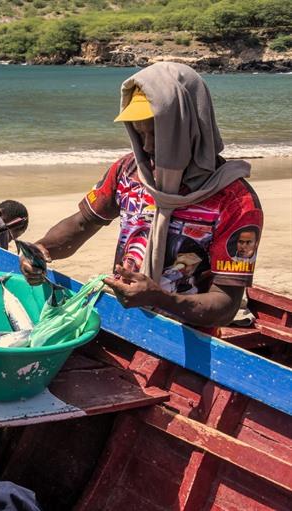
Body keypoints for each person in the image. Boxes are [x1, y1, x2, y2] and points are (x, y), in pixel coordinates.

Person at [19, 62, 263, 329]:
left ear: (189, 129)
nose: (146, 146)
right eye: (139, 133)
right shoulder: (128, 171)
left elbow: (225, 307)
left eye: (156, 134)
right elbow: (84, 222)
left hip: (186, 334)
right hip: (125, 314)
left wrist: (163, 298)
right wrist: (42, 249)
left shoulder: (235, 201)